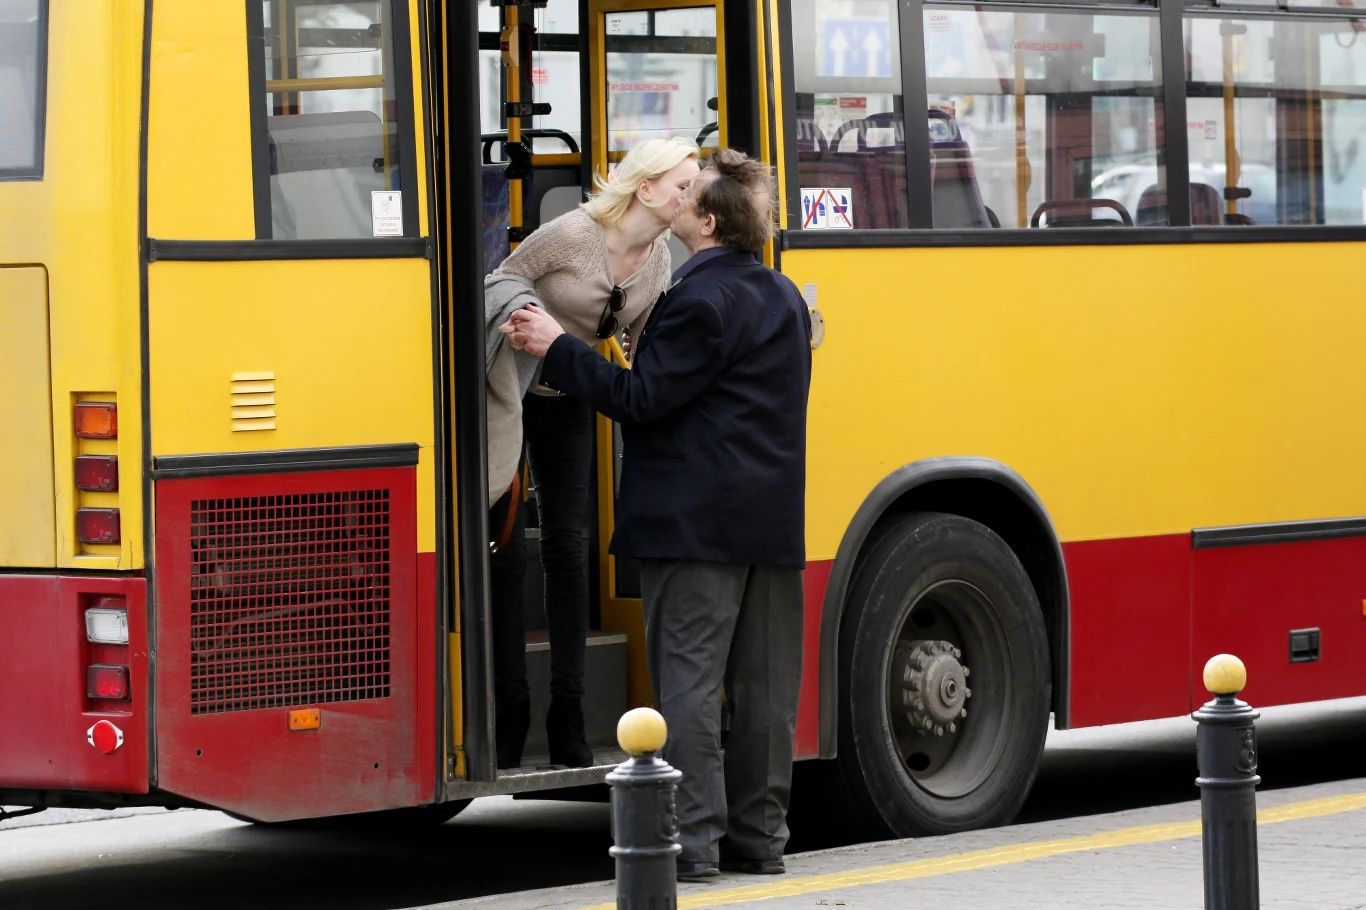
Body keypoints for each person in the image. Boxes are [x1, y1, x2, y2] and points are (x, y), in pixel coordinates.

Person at [503, 149, 812, 879]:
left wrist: (556, 348)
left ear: (705, 222)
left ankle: (696, 846)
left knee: (692, 690)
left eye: (688, 198)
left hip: (694, 529)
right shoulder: (783, 296)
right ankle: (762, 843)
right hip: (771, 528)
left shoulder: (695, 301)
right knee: (766, 693)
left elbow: (640, 402)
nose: (674, 206)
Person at [483, 137, 701, 770]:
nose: (693, 195)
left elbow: (635, 343)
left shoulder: (659, 258)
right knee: (505, 547)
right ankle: (511, 707)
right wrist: (526, 319)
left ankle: (568, 713)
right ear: (648, 188)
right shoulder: (574, 234)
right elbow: (503, 277)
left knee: (569, 547)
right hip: (513, 396)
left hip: (572, 400)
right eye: (684, 184)